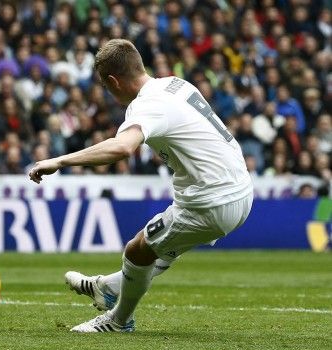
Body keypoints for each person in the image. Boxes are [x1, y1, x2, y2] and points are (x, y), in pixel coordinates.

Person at [28, 39, 253, 333]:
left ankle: (119, 320)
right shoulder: (175, 84)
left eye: (107, 88)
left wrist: (59, 161)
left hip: (211, 201)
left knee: (137, 252)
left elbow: (122, 148)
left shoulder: (148, 105)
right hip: (242, 190)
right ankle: (107, 288)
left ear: (113, 81)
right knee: (158, 252)